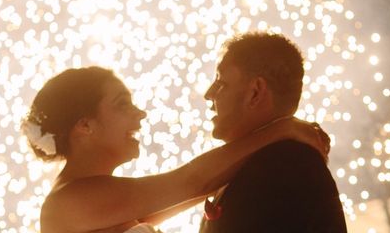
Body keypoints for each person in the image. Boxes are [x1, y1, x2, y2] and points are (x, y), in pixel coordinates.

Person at [22, 65, 330, 233]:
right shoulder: (70, 202)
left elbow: (199, 187)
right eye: (123, 104)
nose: (140, 114)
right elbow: (191, 181)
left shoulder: (100, 204)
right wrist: (283, 129)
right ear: (84, 125)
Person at [199, 32, 347, 233]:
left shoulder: (284, 170)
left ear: (255, 92)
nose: (208, 94)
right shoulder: (263, 162)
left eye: (221, 83)